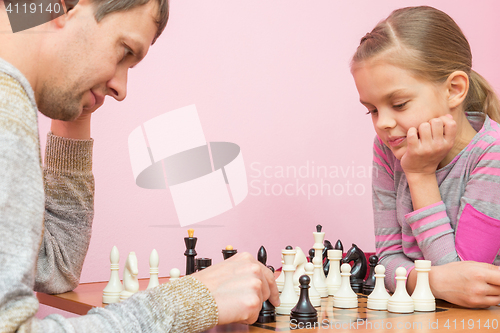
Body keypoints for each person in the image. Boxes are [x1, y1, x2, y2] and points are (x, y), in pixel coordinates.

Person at [0, 0, 279, 331]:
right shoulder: (7, 113)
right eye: (123, 52)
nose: (121, 88)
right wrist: (190, 301)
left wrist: (76, 99)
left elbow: (53, 264)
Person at [350, 5, 500, 309]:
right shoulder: (388, 147)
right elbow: (388, 261)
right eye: (373, 110)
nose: (383, 123)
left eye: (400, 104)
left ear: (454, 90)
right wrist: (433, 281)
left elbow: (466, 281)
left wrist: (419, 175)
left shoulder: (492, 154)